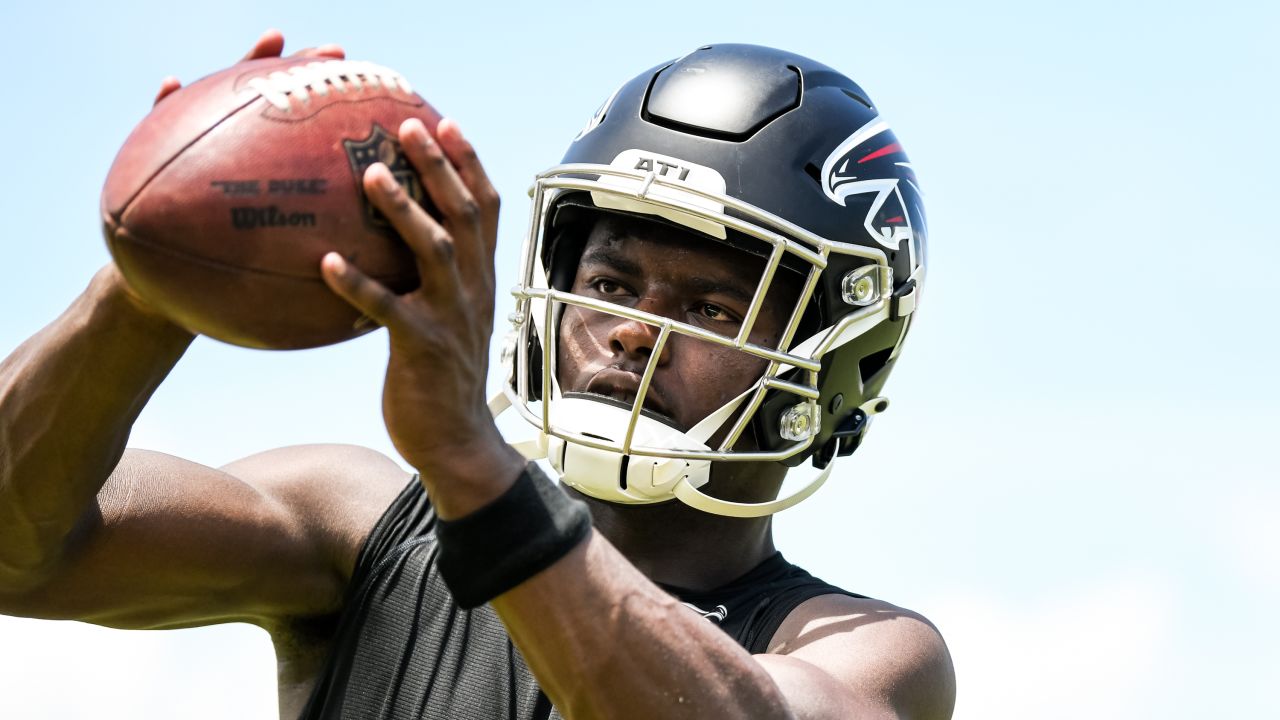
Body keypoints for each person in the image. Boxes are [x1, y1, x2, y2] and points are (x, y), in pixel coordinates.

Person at [0, 30, 954, 719]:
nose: (627, 333)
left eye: (710, 307)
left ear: (839, 355)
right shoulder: (352, 523)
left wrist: (470, 461)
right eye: (610, 282)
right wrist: (146, 288)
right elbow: (17, 546)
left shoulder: (870, 652)